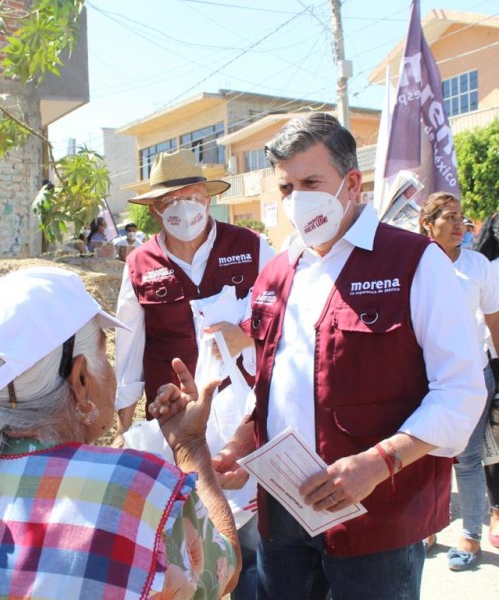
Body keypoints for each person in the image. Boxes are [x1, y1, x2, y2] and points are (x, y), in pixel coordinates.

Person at [212, 112, 485, 600]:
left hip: (378, 517)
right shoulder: (277, 273)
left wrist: (379, 463)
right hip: (286, 515)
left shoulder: (413, 262)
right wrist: (239, 444)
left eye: (311, 181)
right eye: (286, 187)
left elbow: (462, 391)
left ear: (352, 182)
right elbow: (272, 385)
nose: (297, 199)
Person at [0, 267, 241, 598]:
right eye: (104, 352)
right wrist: (190, 447)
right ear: (80, 379)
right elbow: (225, 570)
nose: (110, 371)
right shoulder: (136, 488)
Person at [114, 148, 274, 599]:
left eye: (191, 195)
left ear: (207, 197)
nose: (182, 207)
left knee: (253, 543)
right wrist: (125, 431)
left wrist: (246, 332)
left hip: (244, 418)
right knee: (183, 541)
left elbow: (290, 311)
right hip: (174, 426)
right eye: (170, 200)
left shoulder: (252, 247)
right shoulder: (138, 265)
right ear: (155, 209)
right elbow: (128, 352)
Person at [419, 193, 499, 569]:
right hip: (423, 374)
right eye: (449, 217)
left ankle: (470, 535)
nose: (459, 225)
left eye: (462, 218)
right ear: (427, 224)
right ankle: (425, 527)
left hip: (473, 373)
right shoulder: (415, 263)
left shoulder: (479, 265)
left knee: (467, 458)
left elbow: (494, 322)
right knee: (424, 454)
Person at [465, 210, 499, 551]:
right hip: (486, 364)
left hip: (486, 366)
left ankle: (479, 525)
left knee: (477, 452)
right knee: (489, 448)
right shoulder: (489, 268)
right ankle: (496, 512)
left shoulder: (480, 267)